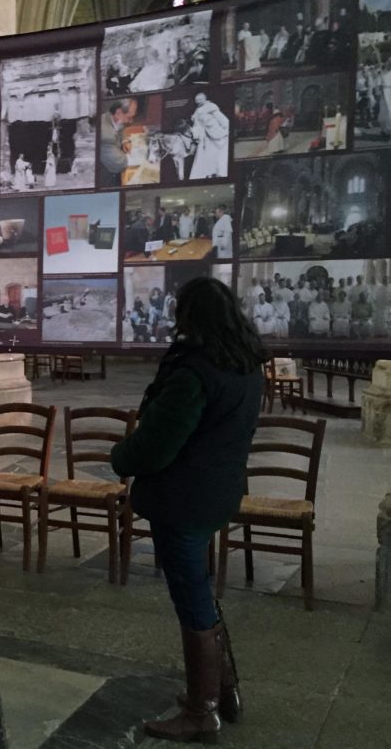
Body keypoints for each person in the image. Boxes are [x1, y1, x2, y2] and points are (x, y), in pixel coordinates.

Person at [111, 277, 264, 744]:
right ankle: (223, 689)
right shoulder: (245, 364)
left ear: (189, 316)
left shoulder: (194, 371)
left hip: (184, 498)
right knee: (198, 589)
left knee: (192, 597)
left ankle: (202, 711)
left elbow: (158, 444)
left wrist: (122, 458)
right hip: (218, 491)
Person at [189, 93, 229, 179]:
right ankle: (208, 174)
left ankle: (219, 173)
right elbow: (197, 125)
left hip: (217, 135)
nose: (198, 102)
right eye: (197, 100)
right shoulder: (197, 111)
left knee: (219, 158)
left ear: (204, 99)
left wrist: (226, 129)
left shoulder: (211, 107)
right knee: (205, 158)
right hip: (205, 138)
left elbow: (223, 120)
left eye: (200, 100)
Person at [99, 99, 137, 188]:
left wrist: (125, 141)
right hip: (107, 175)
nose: (130, 121)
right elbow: (120, 163)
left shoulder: (111, 117)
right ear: (118, 113)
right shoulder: (106, 136)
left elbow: (120, 130)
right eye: (129, 117)